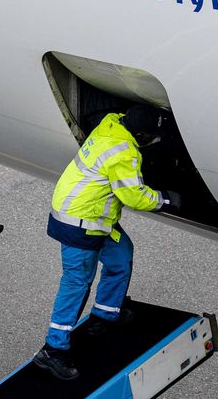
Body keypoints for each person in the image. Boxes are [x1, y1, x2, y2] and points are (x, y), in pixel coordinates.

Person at [32, 105, 180, 381]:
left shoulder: (112, 122)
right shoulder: (124, 151)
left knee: (121, 256)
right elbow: (134, 197)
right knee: (77, 282)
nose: (152, 140)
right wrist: (166, 200)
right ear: (138, 133)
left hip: (95, 216)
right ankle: (52, 349)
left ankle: (104, 315)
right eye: (150, 136)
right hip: (81, 223)